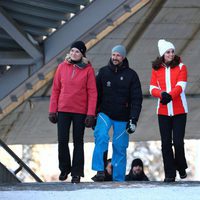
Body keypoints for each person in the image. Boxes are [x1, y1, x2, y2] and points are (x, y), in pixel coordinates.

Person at [91, 44, 143, 181]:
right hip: (104, 113)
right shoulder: (103, 72)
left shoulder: (131, 75)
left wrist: (133, 119)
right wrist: (92, 114)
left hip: (123, 116)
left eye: (118, 55)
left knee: (119, 147)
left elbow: (137, 99)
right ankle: (99, 170)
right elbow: (95, 95)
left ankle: (118, 180)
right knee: (101, 136)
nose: (115, 57)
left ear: (123, 57)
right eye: (113, 54)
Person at [48, 41, 97, 183]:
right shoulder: (61, 67)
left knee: (78, 142)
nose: (74, 53)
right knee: (62, 140)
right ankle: (64, 169)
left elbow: (92, 93)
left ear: (82, 54)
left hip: (80, 111)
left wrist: (90, 114)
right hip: (63, 109)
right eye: (72, 51)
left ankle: (76, 172)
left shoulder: (88, 70)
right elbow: (56, 89)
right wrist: (52, 110)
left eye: (77, 51)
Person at [149, 39, 188, 182]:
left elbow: (181, 85)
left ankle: (181, 166)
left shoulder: (181, 67)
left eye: (172, 51)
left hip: (180, 111)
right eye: (168, 52)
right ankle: (170, 174)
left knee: (178, 142)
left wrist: (169, 96)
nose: (171, 54)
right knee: (166, 143)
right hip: (163, 112)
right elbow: (152, 88)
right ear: (162, 54)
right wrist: (161, 95)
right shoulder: (156, 69)